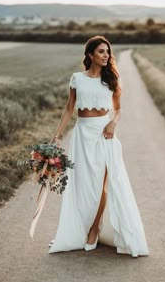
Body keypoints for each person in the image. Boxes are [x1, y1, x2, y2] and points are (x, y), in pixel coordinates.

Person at [48, 35, 149, 257]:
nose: (106, 55)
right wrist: (57, 135)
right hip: (82, 134)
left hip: (105, 134)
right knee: (84, 184)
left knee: (104, 183)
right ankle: (80, 229)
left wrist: (113, 123)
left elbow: (119, 109)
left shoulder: (111, 79)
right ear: (90, 54)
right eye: (101, 51)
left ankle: (95, 229)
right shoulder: (77, 79)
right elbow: (69, 109)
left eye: (108, 52)